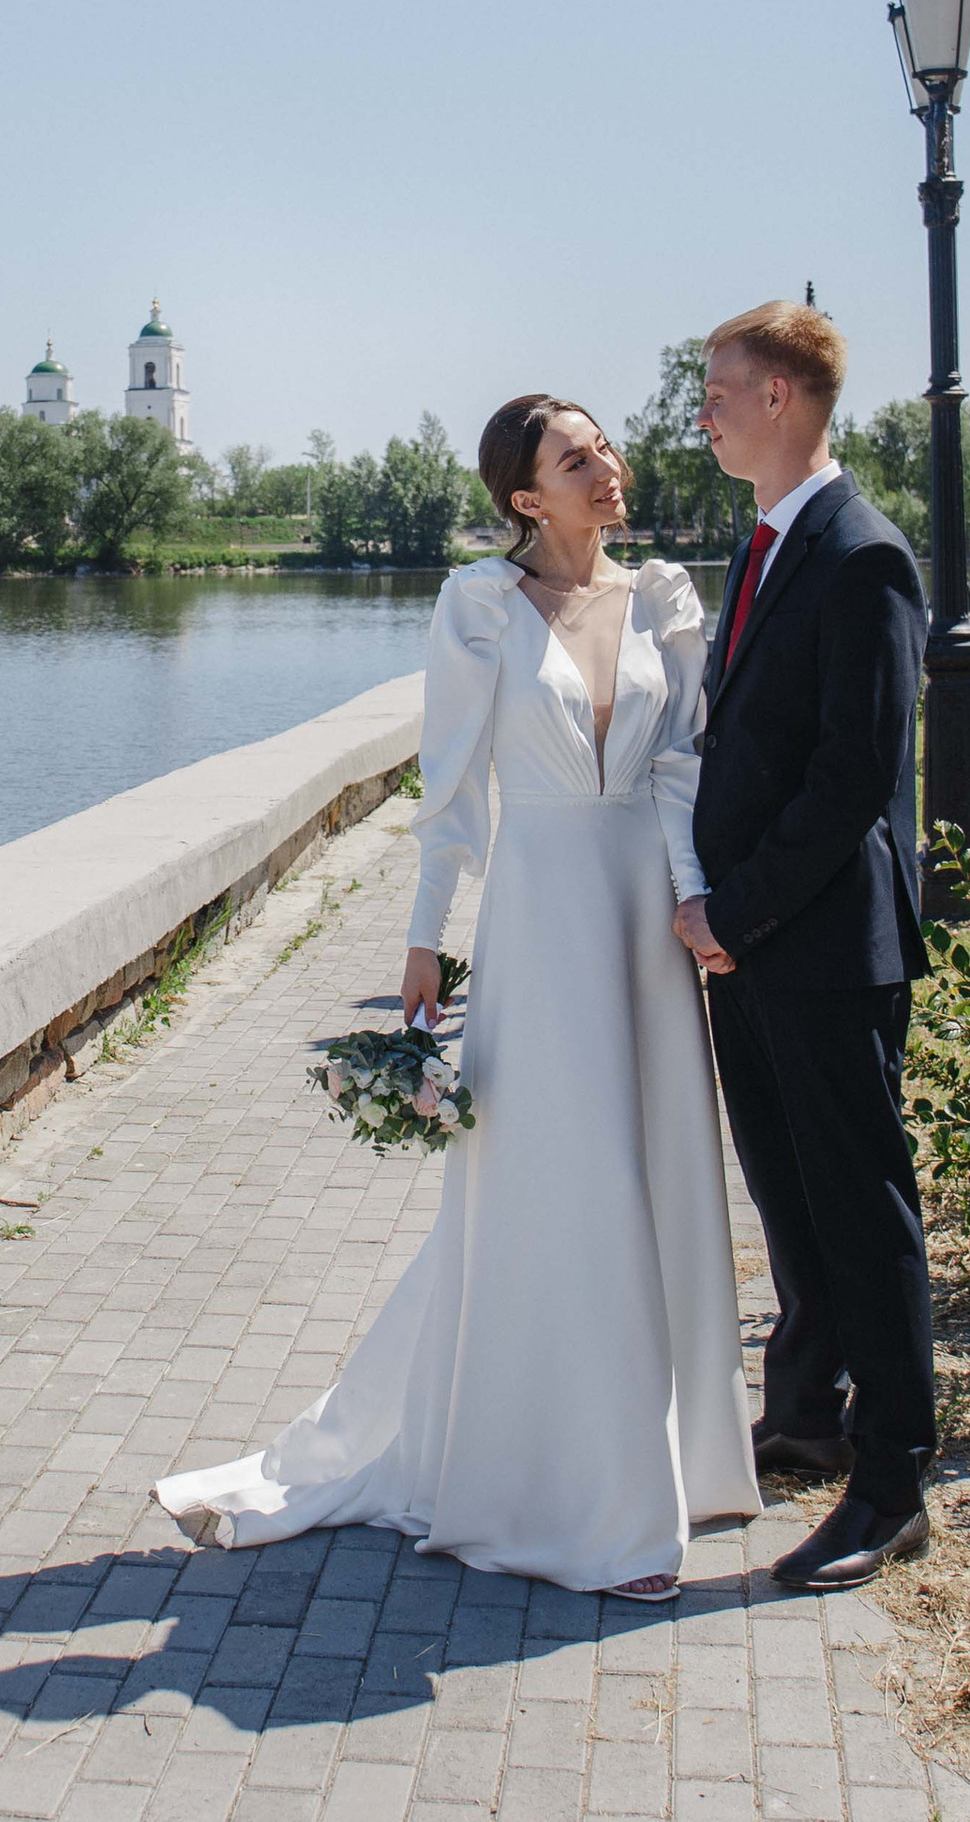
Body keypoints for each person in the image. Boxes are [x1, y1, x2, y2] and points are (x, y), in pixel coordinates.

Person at [154, 394, 760, 1597]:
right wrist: (424, 939)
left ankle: (677, 1466)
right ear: (525, 497)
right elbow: (451, 786)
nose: (605, 465)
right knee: (561, 1185)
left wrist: (695, 902)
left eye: (602, 447)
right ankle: (587, 1505)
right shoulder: (479, 607)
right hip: (537, 918)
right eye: (573, 456)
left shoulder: (665, 601)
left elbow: (685, 765)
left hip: (642, 915)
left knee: (656, 1172)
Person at [674, 300, 937, 1592]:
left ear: (781, 397)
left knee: (860, 1211)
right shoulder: (767, 543)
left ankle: (893, 1487)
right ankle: (806, 1418)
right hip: (762, 948)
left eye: (719, 389)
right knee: (790, 1204)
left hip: (825, 949)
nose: (705, 410)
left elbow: (852, 781)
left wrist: (734, 912)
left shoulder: (862, 554)